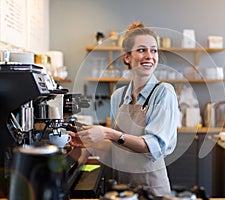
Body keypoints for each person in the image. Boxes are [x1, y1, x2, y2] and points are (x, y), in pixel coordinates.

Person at [72, 21, 179, 196]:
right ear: (127, 57)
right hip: (121, 189)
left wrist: (108, 133)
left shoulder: (164, 93)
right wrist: (87, 141)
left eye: (154, 50)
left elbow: (153, 146)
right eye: (142, 50)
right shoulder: (119, 96)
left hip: (151, 189)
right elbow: (118, 146)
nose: (149, 56)